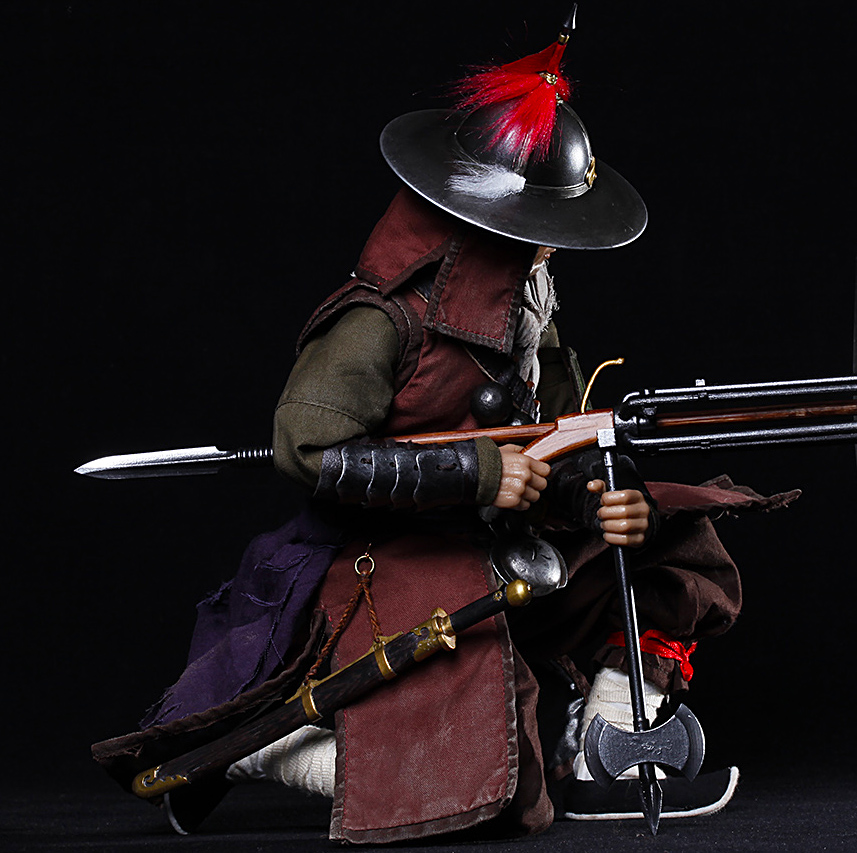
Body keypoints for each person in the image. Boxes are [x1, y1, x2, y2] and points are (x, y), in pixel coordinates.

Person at [92, 12, 796, 842]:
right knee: (492, 780)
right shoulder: (378, 320)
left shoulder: (528, 315)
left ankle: (605, 744)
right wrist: (478, 473)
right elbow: (309, 449)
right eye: (535, 239)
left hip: (504, 550)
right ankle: (263, 747)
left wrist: (602, 498)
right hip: (388, 567)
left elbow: (559, 436)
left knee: (676, 538)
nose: (549, 254)